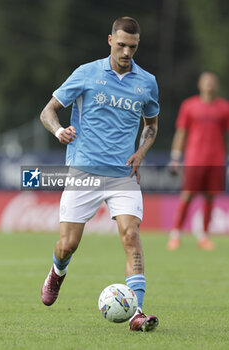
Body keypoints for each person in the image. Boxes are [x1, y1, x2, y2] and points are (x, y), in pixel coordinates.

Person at [40, 17, 160, 332]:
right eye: (121, 45)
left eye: (132, 47)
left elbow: (152, 125)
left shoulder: (147, 82)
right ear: (110, 40)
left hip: (123, 175)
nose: (126, 52)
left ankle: (137, 312)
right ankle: (57, 272)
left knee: (131, 236)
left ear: (137, 45)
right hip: (84, 170)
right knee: (67, 244)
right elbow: (48, 111)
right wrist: (59, 131)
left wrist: (141, 152)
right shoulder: (86, 73)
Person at [167, 71, 229, 251]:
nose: (209, 84)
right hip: (194, 158)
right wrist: (175, 157)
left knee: (210, 197)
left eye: (212, 81)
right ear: (200, 84)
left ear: (216, 85)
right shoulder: (189, 105)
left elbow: (226, 136)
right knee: (187, 195)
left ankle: (203, 236)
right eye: (206, 81)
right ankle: (175, 234)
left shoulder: (224, 108)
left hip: (215, 159)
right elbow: (181, 132)